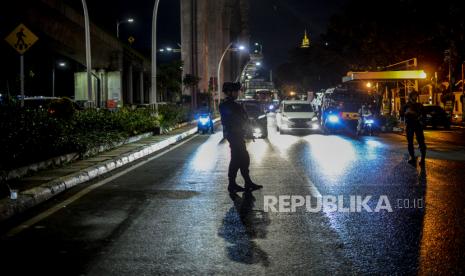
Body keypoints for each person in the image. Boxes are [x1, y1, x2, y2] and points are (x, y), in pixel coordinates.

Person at [219, 82, 262, 193]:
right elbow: (234, 120)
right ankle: (234, 184)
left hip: (237, 135)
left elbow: (242, 118)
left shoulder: (234, 105)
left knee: (242, 158)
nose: (237, 93)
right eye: (235, 91)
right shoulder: (227, 105)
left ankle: (245, 183)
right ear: (229, 92)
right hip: (234, 135)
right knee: (238, 159)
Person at [401, 91, 426, 166]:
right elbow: (401, 114)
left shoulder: (419, 105)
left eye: (416, 95)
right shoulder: (406, 105)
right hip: (410, 125)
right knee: (410, 142)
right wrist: (406, 113)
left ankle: (423, 159)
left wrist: (421, 120)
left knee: (421, 142)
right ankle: (412, 157)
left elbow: (424, 115)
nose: (415, 97)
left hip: (418, 125)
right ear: (410, 96)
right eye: (414, 95)